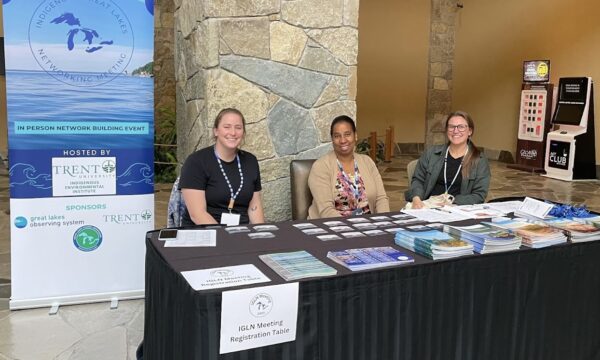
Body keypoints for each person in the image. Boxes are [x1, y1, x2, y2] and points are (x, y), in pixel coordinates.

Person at [179, 108, 265, 226]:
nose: (233, 132)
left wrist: (260, 233)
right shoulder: (196, 162)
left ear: (243, 133)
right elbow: (197, 214)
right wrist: (226, 237)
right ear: (216, 131)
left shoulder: (251, 161)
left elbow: (254, 207)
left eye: (238, 127)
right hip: (205, 232)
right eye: (227, 127)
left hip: (240, 232)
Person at [307, 115, 390, 218]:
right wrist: (353, 229)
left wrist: (384, 222)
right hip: (331, 227)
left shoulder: (367, 162)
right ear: (332, 139)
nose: (343, 140)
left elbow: (381, 199)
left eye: (347, 134)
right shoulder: (320, 167)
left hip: (368, 227)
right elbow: (326, 210)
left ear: (355, 135)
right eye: (337, 136)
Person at [405, 110, 490, 208]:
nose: (456, 131)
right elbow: (418, 180)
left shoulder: (479, 160)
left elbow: (479, 195)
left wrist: (452, 202)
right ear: (446, 130)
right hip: (428, 206)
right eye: (451, 126)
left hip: (458, 209)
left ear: (470, 131)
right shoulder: (431, 153)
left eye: (461, 127)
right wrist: (416, 198)